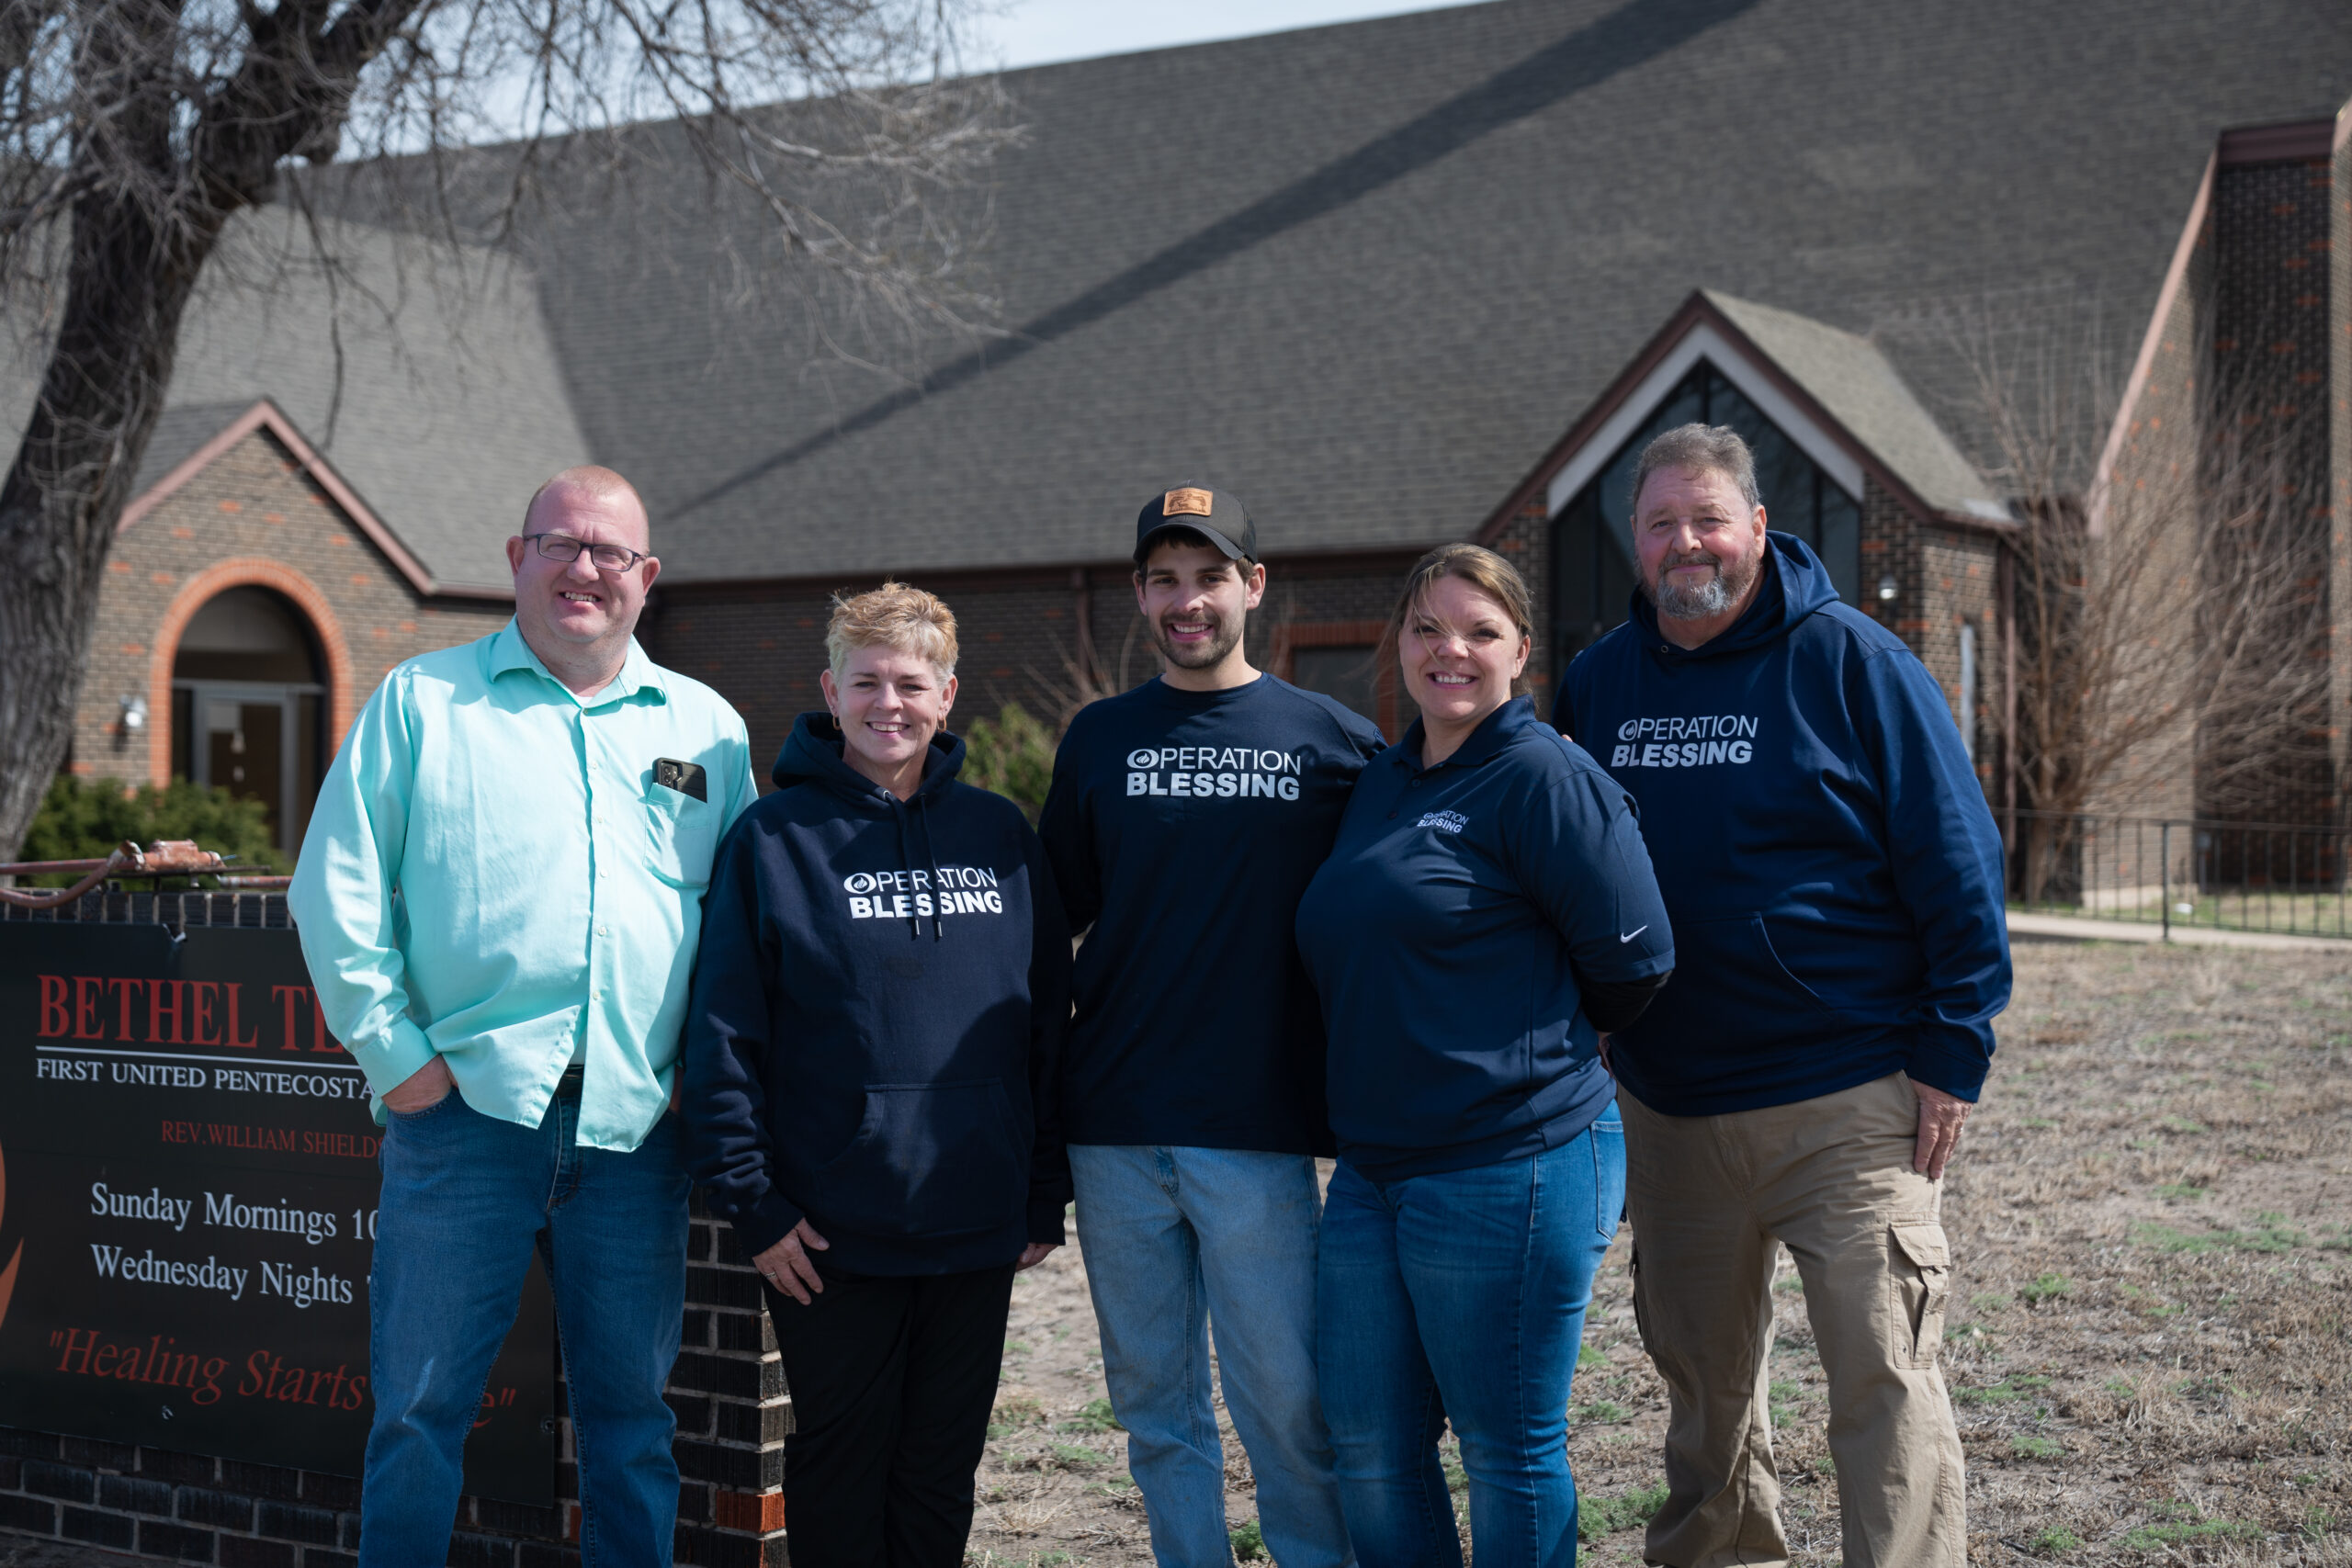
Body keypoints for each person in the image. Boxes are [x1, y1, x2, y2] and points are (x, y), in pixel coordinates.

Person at [1555, 423, 2011, 1568]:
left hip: (1847, 1100)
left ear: (1758, 526)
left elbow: (1957, 861)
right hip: (1668, 1106)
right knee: (1703, 1397)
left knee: (1882, 1380)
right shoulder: (1601, 681)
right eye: (1660, 522)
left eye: (1707, 517)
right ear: (1633, 540)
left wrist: (1951, 1052)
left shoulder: (1855, 662)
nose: (1684, 542)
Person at [288, 466, 756, 1567]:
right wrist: (401, 1064)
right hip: (463, 1129)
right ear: (516, 559)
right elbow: (334, 890)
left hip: (639, 1137)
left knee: (632, 1427)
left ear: (647, 578)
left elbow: (745, 931)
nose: (583, 568)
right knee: (418, 1416)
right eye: (560, 544)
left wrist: (704, 1072)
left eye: (608, 552)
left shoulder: (710, 730)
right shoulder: (422, 702)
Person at [1294, 544, 1675, 1568]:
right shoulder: (1384, 780)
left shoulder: (1543, 777)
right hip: (1373, 1170)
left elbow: (1638, 962)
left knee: (1508, 1453)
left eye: (1478, 631)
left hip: (1510, 1161)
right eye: (1426, 628)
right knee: (1370, 1450)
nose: (1448, 651)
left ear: (1520, 653)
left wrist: (1533, 1038)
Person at [682, 581, 1071, 1566]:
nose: (887, 704)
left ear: (947, 696)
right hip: (830, 1233)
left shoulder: (1000, 837)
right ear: (829, 690)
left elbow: (1043, 1028)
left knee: (940, 1471)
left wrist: (1040, 1191)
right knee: (842, 1471)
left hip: (974, 1223)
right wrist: (756, 1208)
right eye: (866, 682)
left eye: (910, 683)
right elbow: (724, 1035)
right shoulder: (772, 842)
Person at [1037, 486, 1382, 1568]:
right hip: (1115, 1129)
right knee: (1154, 1408)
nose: (1187, 601)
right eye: (1165, 579)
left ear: (1253, 586)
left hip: (1258, 1127)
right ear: (1142, 593)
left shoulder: (1334, 743)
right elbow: (1051, 925)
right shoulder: (1099, 739)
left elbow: (1408, 892)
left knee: (1285, 1401)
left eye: (1209, 577)